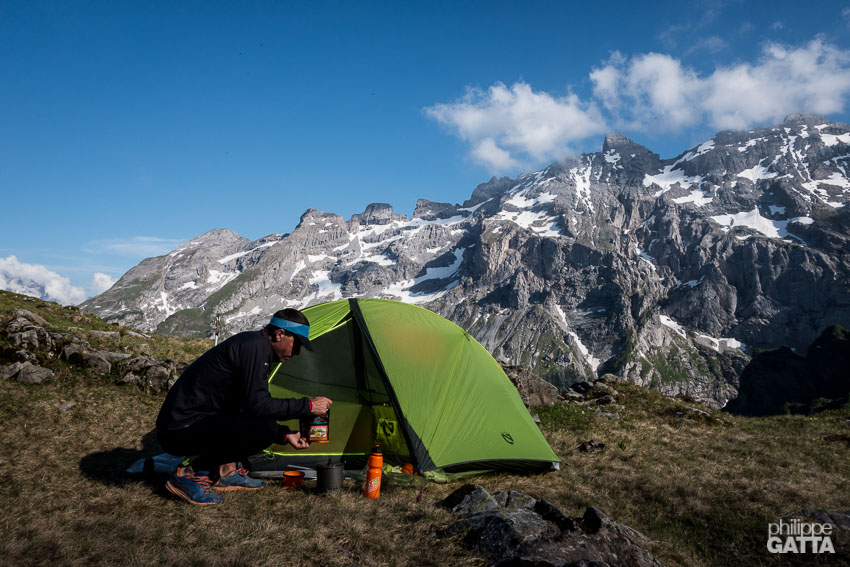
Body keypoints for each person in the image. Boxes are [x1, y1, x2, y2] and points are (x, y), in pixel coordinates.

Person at [156, 308, 332, 505]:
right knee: (264, 429)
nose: (297, 351)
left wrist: (284, 434)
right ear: (280, 334)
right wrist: (307, 406)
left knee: (264, 426)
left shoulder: (256, 346)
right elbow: (258, 405)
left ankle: (224, 470)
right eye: (296, 343)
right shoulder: (255, 347)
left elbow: (248, 405)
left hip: (195, 422)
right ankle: (188, 473)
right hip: (179, 428)